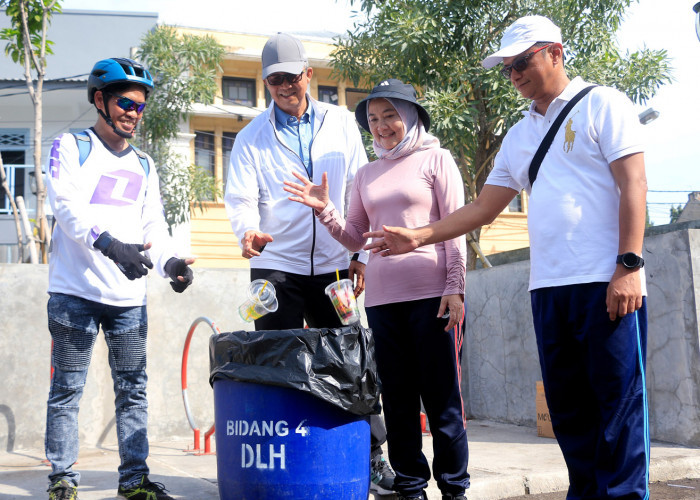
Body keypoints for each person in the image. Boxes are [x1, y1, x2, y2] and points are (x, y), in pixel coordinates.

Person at [364, 16, 650, 500]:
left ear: (555, 53)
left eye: (523, 62)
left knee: (618, 405)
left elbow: (634, 183)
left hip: (605, 281)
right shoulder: (520, 134)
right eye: (507, 68)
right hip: (548, 289)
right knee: (568, 409)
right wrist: (419, 236)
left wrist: (629, 265)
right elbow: (483, 208)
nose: (515, 74)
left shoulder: (603, 103)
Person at [223, 33, 394, 495]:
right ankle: (282, 461)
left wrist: (359, 254)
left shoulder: (340, 123)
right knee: (274, 360)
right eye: (274, 79)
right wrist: (247, 232)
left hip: (337, 264)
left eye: (291, 77)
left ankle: (371, 457)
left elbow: (362, 190)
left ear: (308, 75)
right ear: (265, 83)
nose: (283, 86)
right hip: (275, 266)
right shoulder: (250, 137)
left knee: (349, 360)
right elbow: (239, 199)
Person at [284, 79, 470, 500]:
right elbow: (354, 240)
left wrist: (455, 288)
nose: (381, 126)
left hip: (435, 297)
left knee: (443, 402)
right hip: (384, 304)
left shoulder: (437, 160)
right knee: (399, 402)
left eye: (390, 116)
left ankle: (455, 489)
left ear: (411, 116)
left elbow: (455, 229)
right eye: (373, 119)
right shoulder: (366, 173)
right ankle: (410, 486)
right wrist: (324, 209)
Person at [44, 57, 195, 500]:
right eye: (126, 102)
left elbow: (155, 228)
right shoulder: (71, 146)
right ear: (100, 100)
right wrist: (108, 243)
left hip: (129, 298)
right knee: (67, 389)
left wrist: (170, 264)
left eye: (140, 106)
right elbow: (65, 206)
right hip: (75, 292)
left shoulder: (145, 164)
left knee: (133, 390)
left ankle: (134, 481)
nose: (133, 112)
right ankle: (63, 479)